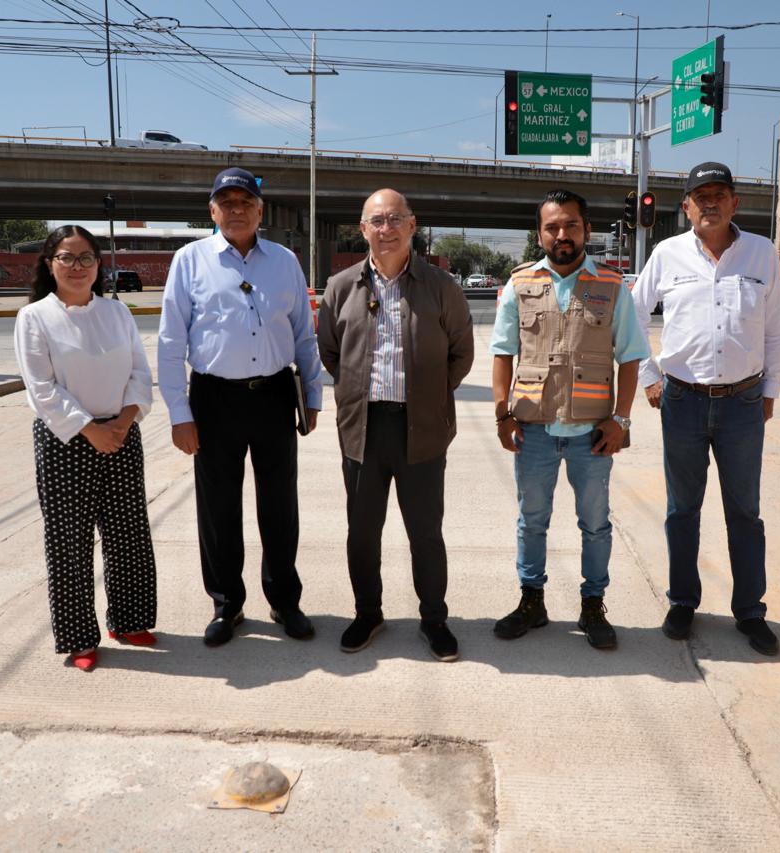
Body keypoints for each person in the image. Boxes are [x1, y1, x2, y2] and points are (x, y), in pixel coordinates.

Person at [158, 167, 324, 648]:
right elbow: (170, 343)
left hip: (272, 395)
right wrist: (179, 413)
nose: (235, 210)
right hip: (213, 400)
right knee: (218, 510)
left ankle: (285, 600)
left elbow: (303, 335)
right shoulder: (189, 261)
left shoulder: (285, 261)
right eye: (225, 202)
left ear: (260, 210)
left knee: (279, 506)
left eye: (244, 202)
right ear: (211, 211)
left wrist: (311, 394)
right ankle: (227, 604)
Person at [633, 162, 780, 656]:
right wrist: (649, 376)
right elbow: (631, 315)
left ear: (735, 203)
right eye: (701, 197)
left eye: (720, 194)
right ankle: (683, 602)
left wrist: (769, 392)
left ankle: (750, 612)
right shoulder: (666, 254)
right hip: (682, 400)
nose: (710, 203)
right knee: (682, 511)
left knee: (745, 512)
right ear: (687, 208)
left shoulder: (762, 253)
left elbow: (774, 329)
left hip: (743, 402)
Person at [317, 189, 474, 662]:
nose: (385, 229)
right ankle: (368, 613)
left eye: (395, 219)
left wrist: (428, 396)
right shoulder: (341, 286)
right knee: (362, 532)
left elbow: (461, 353)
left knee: (425, 532)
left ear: (412, 225)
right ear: (362, 229)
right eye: (376, 221)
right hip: (364, 429)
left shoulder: (440, 286)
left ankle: (434, 619)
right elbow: (330, 353)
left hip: (422, 428)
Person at [490, 188, 650, 651]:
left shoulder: (612, 285)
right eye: (553, 226)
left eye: (571, 225)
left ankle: (593, 604)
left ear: (587, 230)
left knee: (595, 524)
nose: (562, 234)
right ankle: (531, 601)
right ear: (540, 234)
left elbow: (631, 357)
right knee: (531, 520)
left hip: (591, 436)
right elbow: (503, 353)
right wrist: (503, 416)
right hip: (534, 431)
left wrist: (621, 419)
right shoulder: (519, 284)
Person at [14, 225, 158, 672]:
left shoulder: (116, 313)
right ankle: (79, 638)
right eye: (66, 257)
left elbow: (138, 370)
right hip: (65, 442)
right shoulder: (34, 318)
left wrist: (123, 421)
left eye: (86, 258)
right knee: (69, 542)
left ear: (98, 264)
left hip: (121, 434)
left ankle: (129, 620)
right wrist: (90, 430)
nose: (77, 267)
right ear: (48, 263)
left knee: (128, 533)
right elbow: (42, 389)